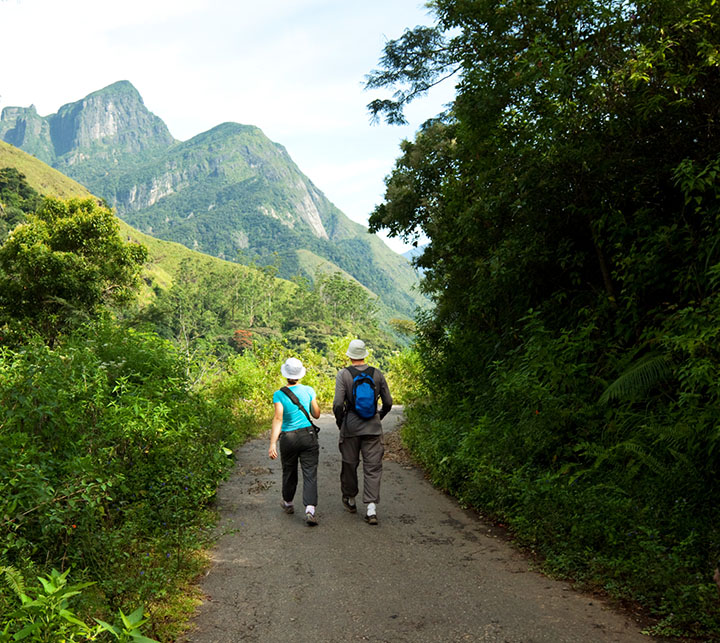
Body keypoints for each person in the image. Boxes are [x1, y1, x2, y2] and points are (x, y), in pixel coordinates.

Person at [333, 338, 392, 525]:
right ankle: (371, 509)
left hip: (351, 427)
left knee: (350, 464)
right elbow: (388, 402)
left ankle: (350, 499)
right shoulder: (377, 374)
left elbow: (337, 404)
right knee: (373, 467)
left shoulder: (343, 374)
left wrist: (341, 421)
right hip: (373, 427)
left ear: (350, 356)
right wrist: (378, 416)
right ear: (365, 355)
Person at [269, 357, 321, 526]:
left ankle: (288, 502)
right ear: (300, 374)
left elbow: (278, 418)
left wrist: (272, 444)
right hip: (308, 435)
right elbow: (316, 414)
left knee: (289, 470)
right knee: (310, 472)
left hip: (288, 437)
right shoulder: (309, 390)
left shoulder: (279, 394)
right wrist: (311, 402)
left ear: (286, 374)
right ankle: (310, 510)